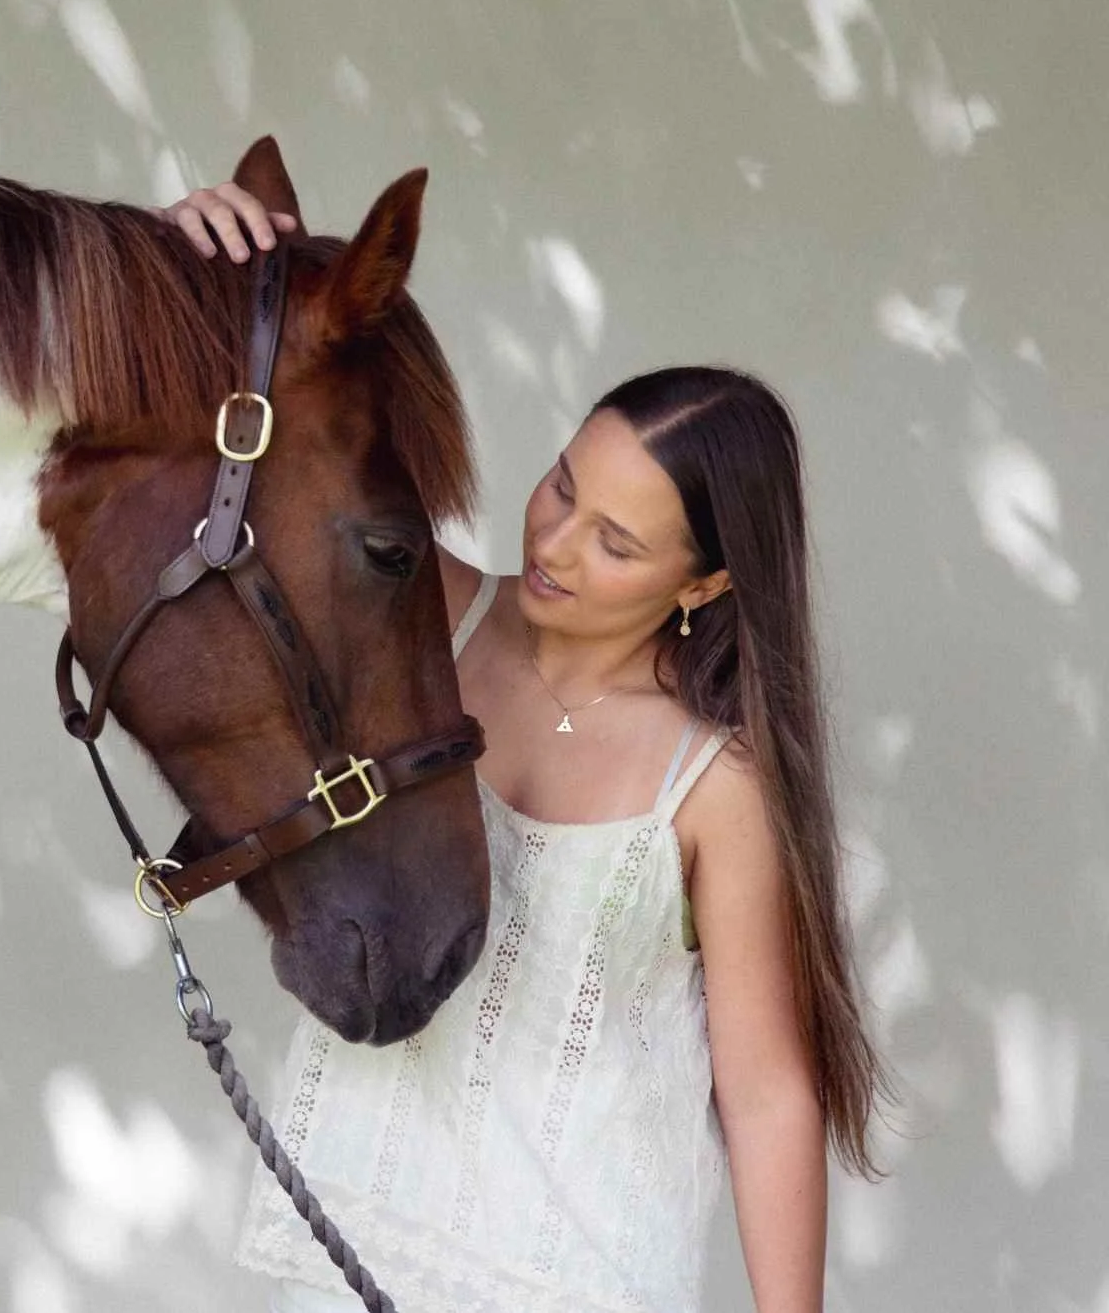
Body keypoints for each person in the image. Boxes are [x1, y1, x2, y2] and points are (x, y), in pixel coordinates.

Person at [163, 184, 890, 1312]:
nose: (552, 540)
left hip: (581, 1279)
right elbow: (241, 455)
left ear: (702, 584)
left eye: (613, 541)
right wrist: (193, 265)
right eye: (561, 484)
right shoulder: (417, 623)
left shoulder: (710, 783)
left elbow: (765, 1094)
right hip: (356, 1244)